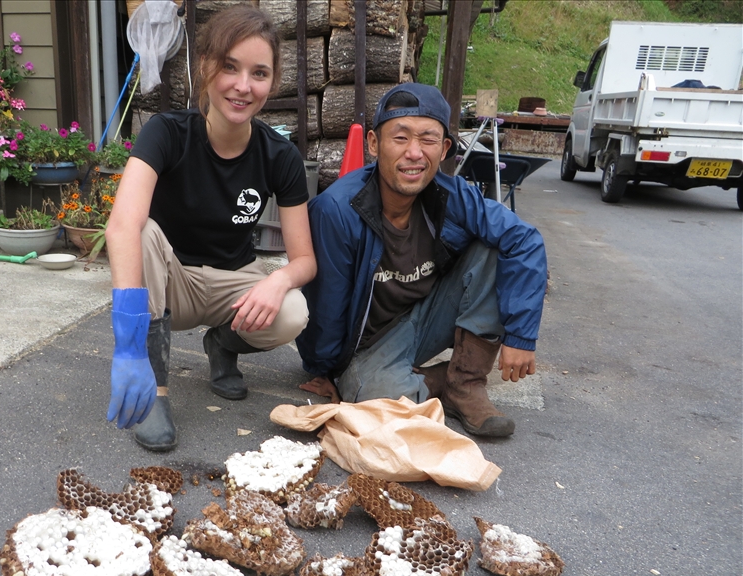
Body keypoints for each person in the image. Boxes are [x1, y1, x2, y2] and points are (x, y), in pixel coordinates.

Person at [104, 4, 317, 452]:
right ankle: (155, 391)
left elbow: (304, 260)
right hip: (169, 284)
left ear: (272, 82)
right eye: (229, 67)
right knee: (141, 231)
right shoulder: (165, 132)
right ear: (205, 68)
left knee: (293, 310)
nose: (243, 86)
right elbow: (122, 224)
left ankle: (223, 345)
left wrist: (277, 281)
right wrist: (126, 344)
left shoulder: (281, 156)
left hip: (231, 286)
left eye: (259, 73)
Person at [297, 83, 547, 437]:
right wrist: (323, 369)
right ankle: (439, 382)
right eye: (400, 138)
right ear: (373, 144)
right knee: (370, 401)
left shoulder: (450, 194)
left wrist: (521, 336)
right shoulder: (338, 211)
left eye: (428, 139)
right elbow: (326, 304)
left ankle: (465, 385)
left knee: (495, 247)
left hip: (427, 316)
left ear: (444, 148)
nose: (414, 153)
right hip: (369, 342)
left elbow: (524, 240)